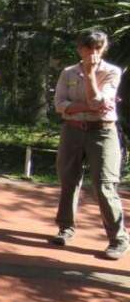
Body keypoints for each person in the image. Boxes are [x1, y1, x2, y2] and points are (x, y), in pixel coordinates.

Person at [51, 30, 128, 260]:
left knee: (104, 185)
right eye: (89, 48)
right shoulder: (67, 72)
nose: (93, 53)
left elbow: (99, 100)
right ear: (80, 49)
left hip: (102, 133)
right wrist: (88, 107)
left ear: (104, 49)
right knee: (68, 180)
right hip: (72, 131)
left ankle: (118, 239)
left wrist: (90, 74)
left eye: (98, 48)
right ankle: (65, 228)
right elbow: (59, 104)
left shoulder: (112, 72)